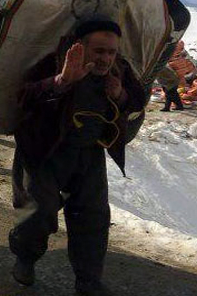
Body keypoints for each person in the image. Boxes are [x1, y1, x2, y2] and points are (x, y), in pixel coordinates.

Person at [10, 17, 146, 296]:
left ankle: (88, 281)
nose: (106, 58)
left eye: (111, 52)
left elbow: (138, 99)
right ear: (80, 46)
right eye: (99, 51)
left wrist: (120, 95)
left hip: (89, 153)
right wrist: (62, 81)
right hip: (43, 151)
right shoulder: (54, 62)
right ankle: (26, 257)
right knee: (38, 211)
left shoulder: (119, 71)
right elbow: (24, 96)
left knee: (93, 217)